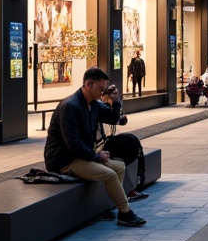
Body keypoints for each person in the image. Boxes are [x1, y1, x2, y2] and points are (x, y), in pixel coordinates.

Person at [43, 67, 146, 227]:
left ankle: (114, 207)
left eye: (104, 89)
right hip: (64, 160)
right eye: (101, 89)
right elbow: (73, 143)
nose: (102, 93)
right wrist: (96, 156)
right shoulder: (70, 106)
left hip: (81, 156)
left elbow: (113, 118)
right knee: (110, 174)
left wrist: (115, 100)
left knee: (119, 167)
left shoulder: (93, 105)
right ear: (88, 84)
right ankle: (126, 212)